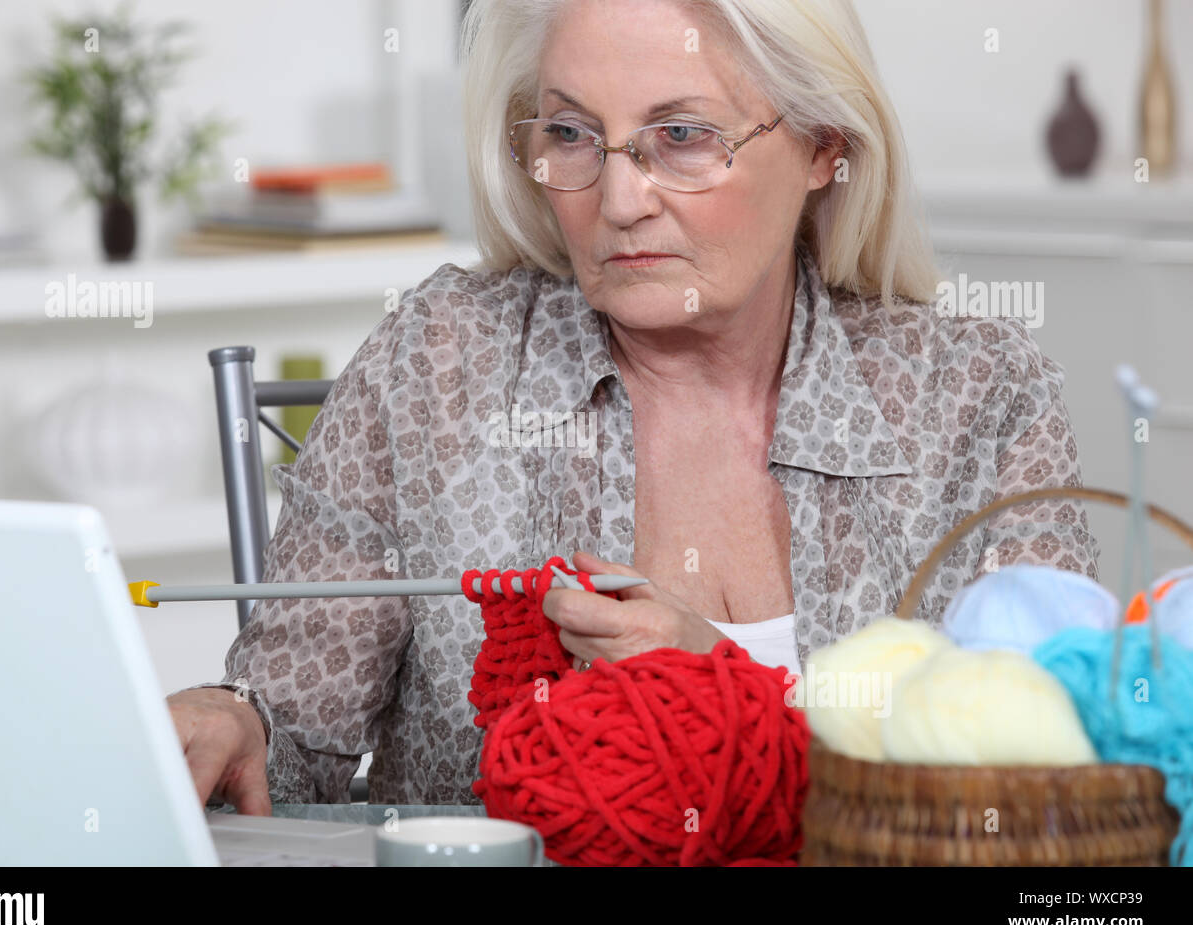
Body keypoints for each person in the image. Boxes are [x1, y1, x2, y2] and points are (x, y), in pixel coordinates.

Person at [168, 0, 1099, 811]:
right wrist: (236, 718)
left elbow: (1049, 785)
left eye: (684, 137)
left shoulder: (980, 396)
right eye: (572, 135)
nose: (619, 200)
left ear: (826, 149)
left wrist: (733, 703)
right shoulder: (439, 360)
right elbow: (291, 738)